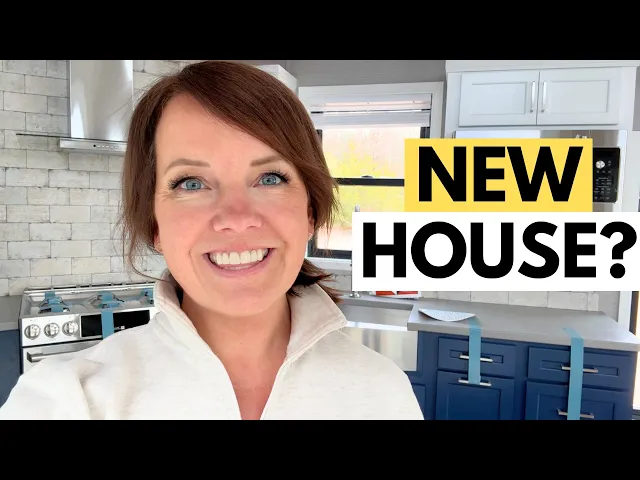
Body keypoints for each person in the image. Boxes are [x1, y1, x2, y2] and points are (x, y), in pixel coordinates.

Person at [0, 60, 424, 420]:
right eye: (190, 183)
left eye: (270, 178)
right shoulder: (68, 400)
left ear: (310, 212)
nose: (236, 219)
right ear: (155, 225)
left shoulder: (383, 394)